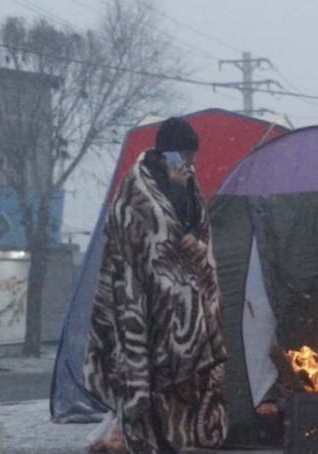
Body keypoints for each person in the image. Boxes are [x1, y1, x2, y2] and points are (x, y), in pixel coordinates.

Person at [83, 117, 228, 454]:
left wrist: (196, 240)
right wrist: (177, 197)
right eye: (187, 155)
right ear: (170, 153)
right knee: (151, 372)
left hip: (183, 304)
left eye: (193, 157)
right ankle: (155, 439)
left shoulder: (188, 183)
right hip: (145, 301)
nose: (191, 164)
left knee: (184, 379)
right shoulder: (138, 185)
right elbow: (149, 237)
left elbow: (191, 226)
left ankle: (178, 438)